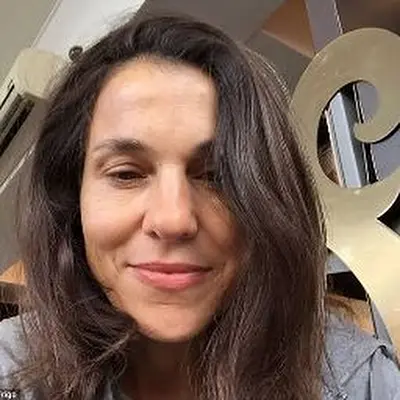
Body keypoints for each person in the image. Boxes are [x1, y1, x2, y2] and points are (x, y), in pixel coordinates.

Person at [0, 14, 399, 400]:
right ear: (73, 200)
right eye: (126, 174)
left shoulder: (361, 384)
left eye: (215, 176)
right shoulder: (11, 373)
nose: (173, 219)